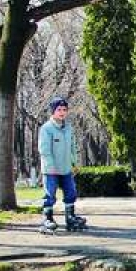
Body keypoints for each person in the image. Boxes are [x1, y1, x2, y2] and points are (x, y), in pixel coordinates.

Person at [38, 97, 85, 232]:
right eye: (59, 110)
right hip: (51, 169)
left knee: (71, 192)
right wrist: (50, 166)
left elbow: (73, 146)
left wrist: (74, 163)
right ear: (53, 111)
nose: (62, 112)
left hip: (66, 168)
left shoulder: (68, 128)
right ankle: (47, 218)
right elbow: (44, 150)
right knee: (50, 194)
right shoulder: (46, 129)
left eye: (64, 110)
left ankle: (70, 217)